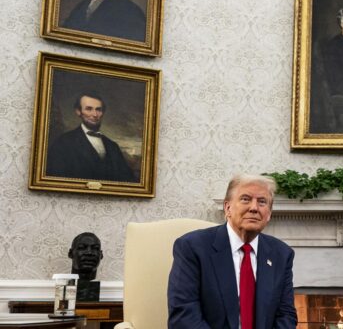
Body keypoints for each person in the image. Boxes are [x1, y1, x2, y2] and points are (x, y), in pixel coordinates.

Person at [167, 174, 297, 329]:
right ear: (227, 208)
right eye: (245, 199)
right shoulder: (192, 247)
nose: (254, 208)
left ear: (268, 214)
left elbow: (286, 315)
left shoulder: (281, 254)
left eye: (262, 202)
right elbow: (183, 315)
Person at [46, 93, 137, 183]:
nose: (95, 114)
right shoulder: (63, 142)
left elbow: (128, 180)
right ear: (78, 111)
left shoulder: (113, 146)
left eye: (98, 109)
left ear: (102, 113)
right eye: (89, 109)